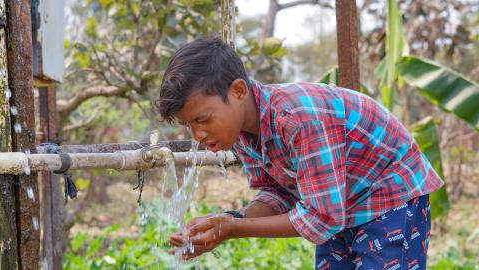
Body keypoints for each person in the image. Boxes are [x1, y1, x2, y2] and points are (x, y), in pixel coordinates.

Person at [157, 37, 444, 269]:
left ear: (239, 91)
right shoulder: (241, 132)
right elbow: (278, 193)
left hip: (388, 195)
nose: (197, 135)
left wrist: (233, 228)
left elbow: (321, 219)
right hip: (337, 202)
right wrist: (231, 219)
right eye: (188, 124)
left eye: (202, 119)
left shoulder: (297, 119)